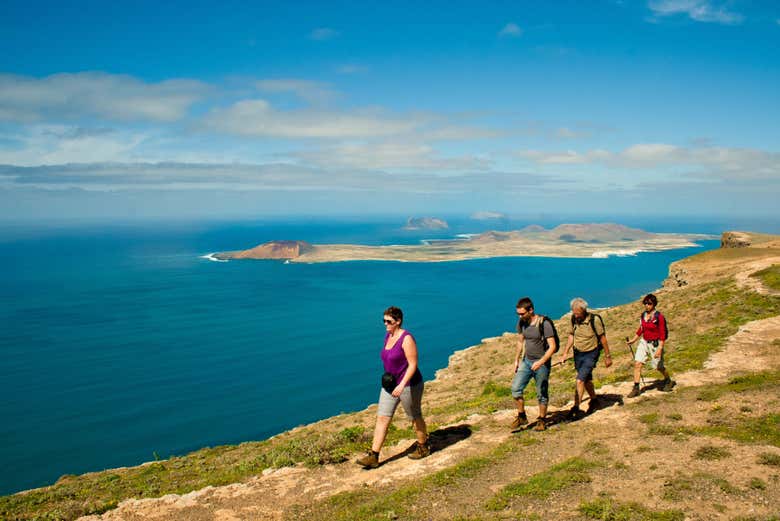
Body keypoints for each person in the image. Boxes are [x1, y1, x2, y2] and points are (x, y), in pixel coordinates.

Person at [356, 306, 429, 468]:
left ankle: (423, 446)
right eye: (384, 321)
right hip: (390, 385)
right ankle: (374, 456)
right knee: (382, 418)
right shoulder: (388, 336)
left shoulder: (407, 338)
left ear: (398, 321)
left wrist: (402, 384)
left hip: (409, 385)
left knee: (414, 417)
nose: (385, 324)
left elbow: (412, 365)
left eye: (389, 321)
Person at [558, 297, 612, 418]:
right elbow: (571, 336)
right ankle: (594, 400)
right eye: (574, 312)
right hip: (578, 353)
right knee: (586, 379)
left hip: (591, 353)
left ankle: (576, 407)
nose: (576, 315)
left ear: (584, 310)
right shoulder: (573, 319)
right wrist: (565, 353)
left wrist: (608, 356)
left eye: (578, 313)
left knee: (580, 380)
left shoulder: (594, 320)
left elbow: (603, 338)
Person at [510, 297, 557, 432]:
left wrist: (541, 362)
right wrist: (516, 360)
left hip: (542, 364)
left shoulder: (544, 324)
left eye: (522, 313)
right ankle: (522, 416)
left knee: (541, 393)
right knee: (515, 389)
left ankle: (542, 420)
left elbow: (552, 347)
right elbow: (520, 341)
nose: (520, 316)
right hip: (526, 361)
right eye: (518, 314)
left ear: (531, 310)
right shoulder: (522, 323)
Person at [626, 293, 675, 397]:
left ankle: (668, 380)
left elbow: (662, 334)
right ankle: (636, 388)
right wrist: (633, 340)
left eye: (649, 303)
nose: (647, 305)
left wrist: (660, 349)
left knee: (659, 367)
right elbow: (641, 329)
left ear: (654, 304)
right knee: (637, 363)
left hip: (655, 344)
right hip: (644, 342)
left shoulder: (659, 317)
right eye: (645, 303)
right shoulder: (643, 315)